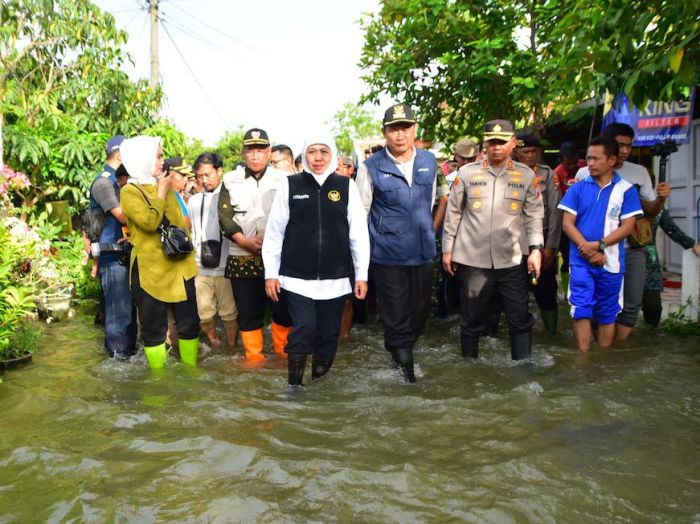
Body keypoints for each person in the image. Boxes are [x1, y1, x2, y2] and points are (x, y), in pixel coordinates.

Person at [263, 132, 370, 386]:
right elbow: (275, 232)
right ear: (304, 154)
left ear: (332, 154)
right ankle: (295, 389)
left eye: (324, 151)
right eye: (312, 151)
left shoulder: (346, 186)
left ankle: (319, 387)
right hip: (295, 277)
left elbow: (358, 234)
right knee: (304, 329)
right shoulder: (290, 186)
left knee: (328, 336)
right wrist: (271, 273)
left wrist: (362, 274)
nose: (318, 157)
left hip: (336, 279)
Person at [442, 119, 544, 360]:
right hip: (473, 258)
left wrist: (536, 249)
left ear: (513, 144)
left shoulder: (526, 175)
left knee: (519, 317)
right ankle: (470, 369)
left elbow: (534, 215)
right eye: (492, 142)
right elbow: (453, 212)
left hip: (512, 259)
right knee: (471, 319)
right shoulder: (467, 173)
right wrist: (448, 250)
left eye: (502, 142)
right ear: (485, 144)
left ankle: (523, 369)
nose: (497, 147)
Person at [355, 103, 438, 383]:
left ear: (415, 130)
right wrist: (361, 263)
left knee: (420, 314)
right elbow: (359, 215)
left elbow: (430, 202)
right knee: (396, 316)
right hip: (387, 255)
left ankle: (397, 350)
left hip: (423, 253)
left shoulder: (430, 161)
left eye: (405, 128)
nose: (400, 135)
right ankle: (408, 377)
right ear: (384, 132)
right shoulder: (369, 168)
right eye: (394, 129)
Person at [575, 123, 671, 340]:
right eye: (620, 145)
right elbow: (575, 215)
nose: (625, 151)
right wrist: (591, 248)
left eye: (629, 145)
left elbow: (650, 212)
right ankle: (596, 354)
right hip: (594, 250)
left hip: (631, 247)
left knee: (631, 305)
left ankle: (615, 352)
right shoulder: (584, 173)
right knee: (595, 305)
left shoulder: (639, 173)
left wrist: (661, 198)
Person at [120, 136, 200, 368]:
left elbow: (182, 224)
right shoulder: (130, 191)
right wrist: (162, 192)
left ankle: (191, 371)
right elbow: (149, 222)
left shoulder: (166, 186)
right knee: (154, 328)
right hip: (149, 270)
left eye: (161, 155)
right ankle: (158, 380)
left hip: (179, 266)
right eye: (158, 156)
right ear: (141, 159)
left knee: (189, 323)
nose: (162, 161)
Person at [559, 136, 642, 351]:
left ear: (612, 160)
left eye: (596, 158)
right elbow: (567, 224)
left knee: (607, 312)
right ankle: (584, 358)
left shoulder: (626, 189)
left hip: (612, 262)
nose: (590, 163)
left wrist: (599, 245)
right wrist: (588, 251)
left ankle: (604, 359)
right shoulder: (577, 188)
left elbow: (627, 227)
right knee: (581, 308)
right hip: (580, 261)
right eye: (588, 158)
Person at [218, 128, 293, 363]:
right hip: (242, 255)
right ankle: (254, 359)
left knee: (283, 310)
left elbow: (293, 214)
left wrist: (271, 240)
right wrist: (245, 241)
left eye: (261, 150)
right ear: (243, 153)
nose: (255, 156)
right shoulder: (230, 180)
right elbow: (224, 217)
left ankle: (283, 355)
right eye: (251, 150)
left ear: (269, 152)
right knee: (249, 312)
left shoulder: (284, 180)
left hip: (279, 256)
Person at [88, 134, 137, 359]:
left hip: (126, 255)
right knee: (118, 313)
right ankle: (118, 360)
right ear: (119, 154)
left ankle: (129, 355)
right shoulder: (104, 182)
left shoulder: (121, 180)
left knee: (128, 312)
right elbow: (124, 217)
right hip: (113, 257)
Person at [187, 152, 239, 348]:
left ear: (219, 171)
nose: (204, 179)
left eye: (208, 174)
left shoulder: (231, 197)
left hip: (225, 265)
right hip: (200, 266)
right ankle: (215, 342)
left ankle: (232, 347)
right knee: (204, 313)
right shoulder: (193, 200)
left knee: (229, 313)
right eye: (200, 176)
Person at [514, 133, 562, 333]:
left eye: (534, 151)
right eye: (525, 152)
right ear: (516, 152)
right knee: (515, 294)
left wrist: (551, 246)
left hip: (540, 244)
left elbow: (556, 212)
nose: (530, 156)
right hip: (514, 244)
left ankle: (552, 335)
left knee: (547, 292)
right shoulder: (508, 172)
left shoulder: (548, 175)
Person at [643, 208, 700, 326]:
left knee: (654, 309)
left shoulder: (658, 209)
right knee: (621, 309)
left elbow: (672, 230)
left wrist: (691, 244)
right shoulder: (621, 201)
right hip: (623, 261)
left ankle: (649, 337)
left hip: (649, 265)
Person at [553, 140, 584, 292]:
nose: (572, 167)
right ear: (561, 160)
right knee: (567, 258)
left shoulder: (585, 167)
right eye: (568, 164)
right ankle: (566, 291)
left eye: (574, 163)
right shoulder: (556, 174)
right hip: (565, 221)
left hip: (583, 221)